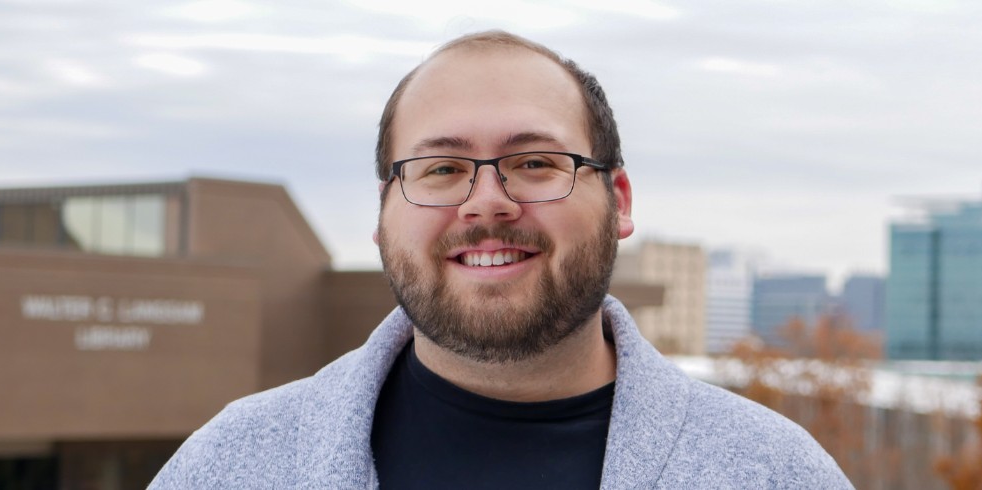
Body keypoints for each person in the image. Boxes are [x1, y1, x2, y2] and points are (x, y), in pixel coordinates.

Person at [151, 30, 853, 489]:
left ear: (621, 200)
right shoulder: (230, 466)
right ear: (382, 212)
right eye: (441, 169)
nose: (487, 203)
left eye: (536, 162)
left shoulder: (774, 473)